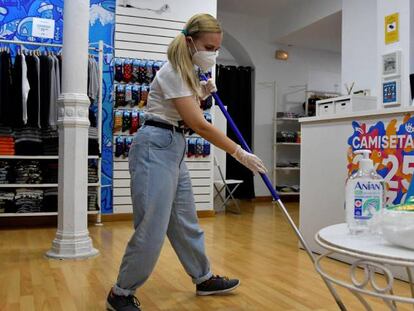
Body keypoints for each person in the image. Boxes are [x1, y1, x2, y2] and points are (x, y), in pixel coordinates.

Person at [106, 13, 266, 311]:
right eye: (209, 47)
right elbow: (200, 126)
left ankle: (203, 278)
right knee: (152, 226)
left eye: (217, 48)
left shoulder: (189, 72)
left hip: (174, 145)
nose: (213, 54)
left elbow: (189, 117)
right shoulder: (173, 71)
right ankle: (121, 293)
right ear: (190, 42)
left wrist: (202, 95)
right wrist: (238, 153)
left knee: (185, 220)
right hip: (156, 145)